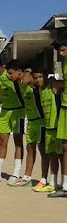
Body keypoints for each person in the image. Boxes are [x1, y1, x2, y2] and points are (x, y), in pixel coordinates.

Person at [16, 67, 45, 187]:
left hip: (41, 121)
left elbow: (28, 78)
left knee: (43, 150)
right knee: (30, 148)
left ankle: (44, 179)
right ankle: (27, 176)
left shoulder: (36, 87)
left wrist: (28, 72)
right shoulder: (21, 85)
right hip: (31, 121)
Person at [35, 75, 61, 192]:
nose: (38, 80)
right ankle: (53, 182)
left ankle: (63, 183)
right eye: (36, 77)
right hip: (48, 127)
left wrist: (54, 81)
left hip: (57, 126)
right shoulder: (40, 89)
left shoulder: (52, 86)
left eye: (41, 77)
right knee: (51, 155)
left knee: (62, 156)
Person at [49, 40, 67, 197]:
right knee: (65, 147)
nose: (61, 54)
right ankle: (66, 185)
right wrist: (58, 84)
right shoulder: (65, 65)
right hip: (65, 107)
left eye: (62, 50)